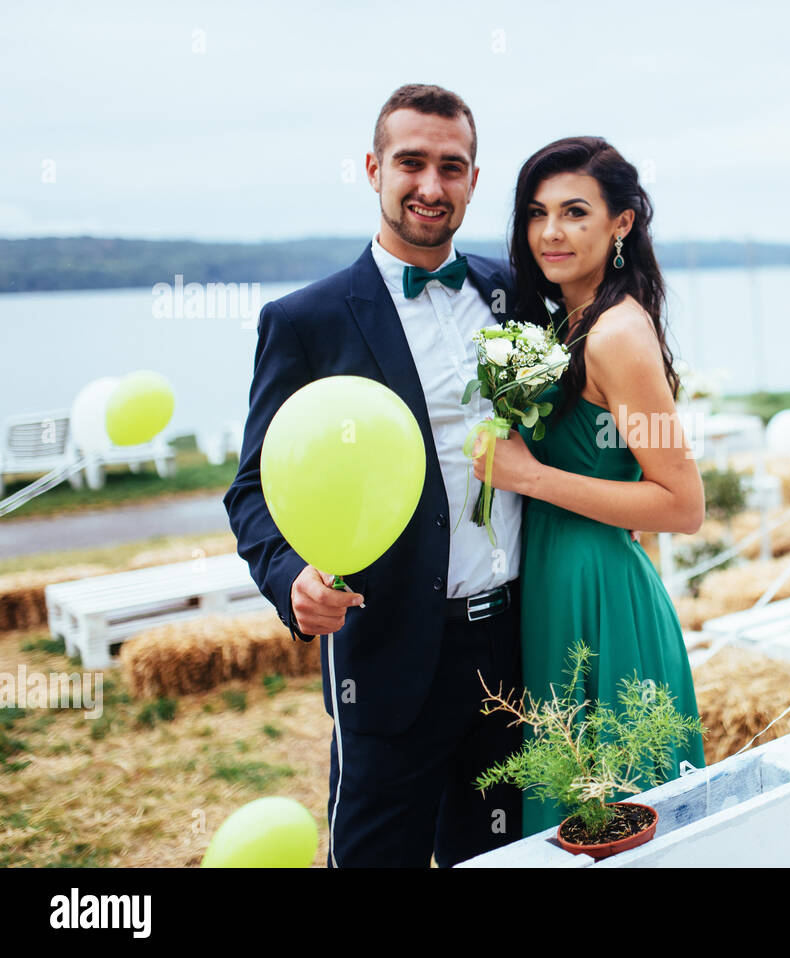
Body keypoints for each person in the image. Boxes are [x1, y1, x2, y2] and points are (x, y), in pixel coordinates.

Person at [224, 83, 530, 867]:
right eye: (412, 163)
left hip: (515, 648)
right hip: (388, 659)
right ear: (373, 168)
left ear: (472, 177)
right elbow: (253, 487)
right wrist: (289, 574)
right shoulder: (307, 321)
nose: (432, 186)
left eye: (452, 167)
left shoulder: (516, 295)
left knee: (500, 857)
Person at [471, 136, 708, 836]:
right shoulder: (567, 323)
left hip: (600, 594)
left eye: (575, 212)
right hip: (554, 583)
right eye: (536, 213)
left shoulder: (617, 335)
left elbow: (683, 502)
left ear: (622, 223)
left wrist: (531, 476)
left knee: (616, 812)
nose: (551, 232)